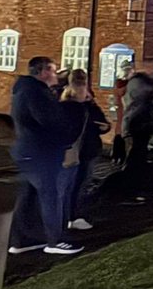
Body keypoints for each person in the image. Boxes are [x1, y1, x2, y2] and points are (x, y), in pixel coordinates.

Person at [8, 57, 84, 255]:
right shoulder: (36, 93)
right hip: (40, 152)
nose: (57, 75)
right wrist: (69, 125)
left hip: (29, 151)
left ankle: (21, 239)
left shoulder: (26, 90)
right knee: (51, 195)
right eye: (53, 70)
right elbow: (51, 121)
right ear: (43, 72)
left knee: (28, 196)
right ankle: (55, 240)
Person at [59, 70, 110, 231]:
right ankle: (72, 216)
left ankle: (68, 216)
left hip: (82, 149)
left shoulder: (69, 103)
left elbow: (102, 123)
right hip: (82, 150)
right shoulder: (76, 106)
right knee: (77, 185)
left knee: (74, 185)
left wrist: (103, 125)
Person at [121, 60, 153, 193]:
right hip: (137, 122)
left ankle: (135, 179)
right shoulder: (137, 83)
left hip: (143, 121)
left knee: (140, 151)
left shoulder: (143, 82)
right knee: (136, 152)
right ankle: (131, 181)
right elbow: (144, 96)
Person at [110, 60, 133, 165]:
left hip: (120, 109)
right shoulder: (128, 86)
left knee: (118, 131)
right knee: (124, 133)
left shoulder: (118, 84)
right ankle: (121, 156)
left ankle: (115, 155)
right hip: (126, 111)